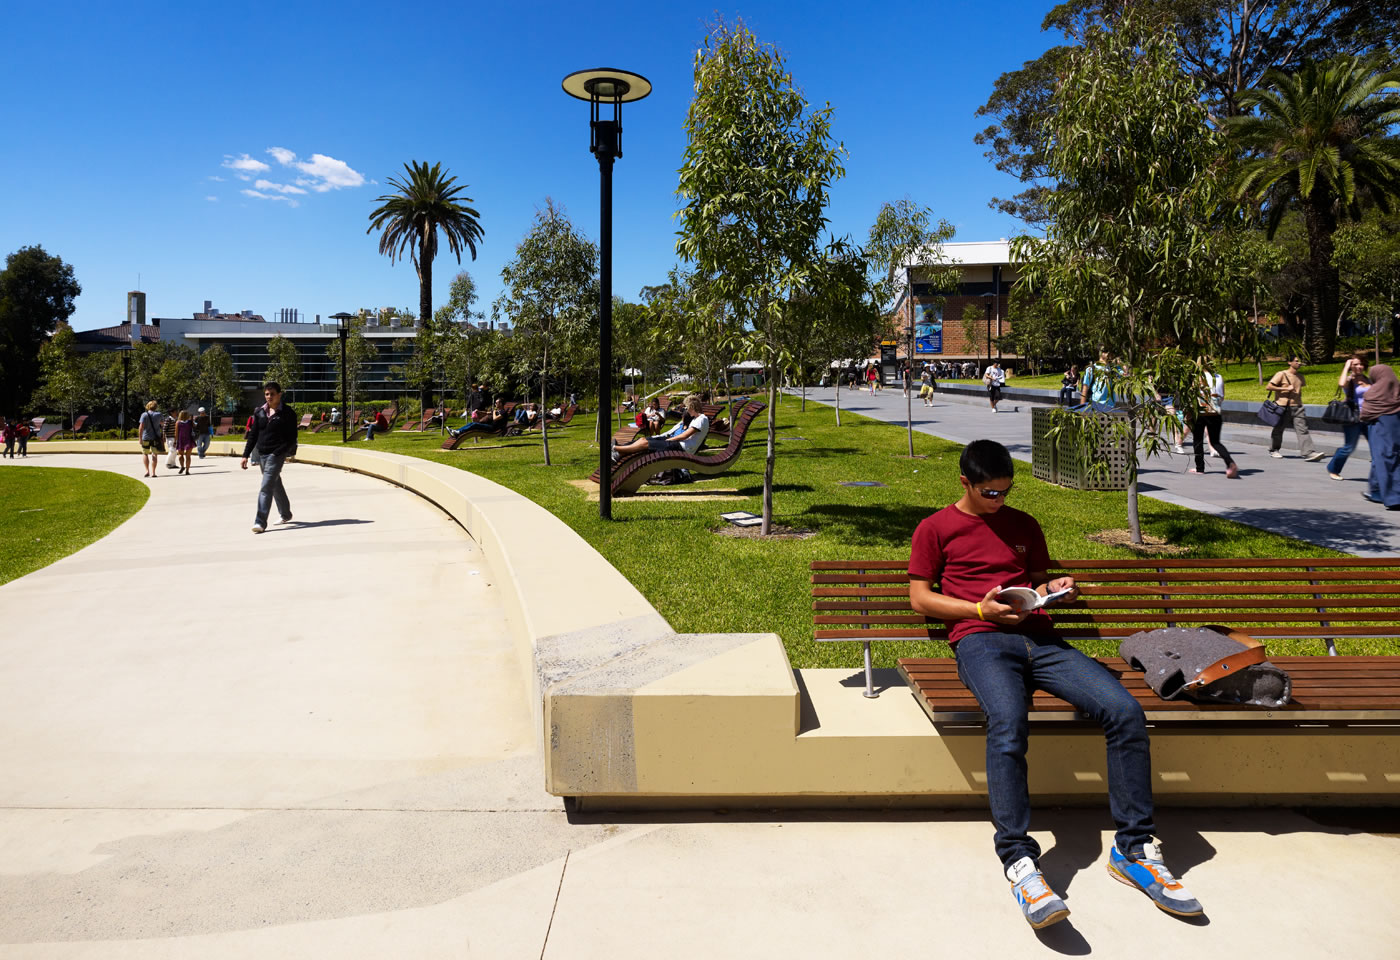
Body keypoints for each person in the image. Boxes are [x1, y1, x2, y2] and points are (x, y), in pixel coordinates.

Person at [908, 439, 1202, 928]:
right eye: (989, 493)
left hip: (1042, 642)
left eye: (1005, 491)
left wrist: (1053, 591)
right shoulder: (935, 528)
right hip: (980, 641)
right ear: (965, 482)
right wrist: (978, 610)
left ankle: (1134, 851)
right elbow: (920, 596)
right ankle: (1019, 860)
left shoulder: (1025, 525)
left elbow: (1035, 584)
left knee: (1125, 712)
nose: (999, 500)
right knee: (1007, 721)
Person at [240, 382, 297, 534]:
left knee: (266, 487)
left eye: (272, 394)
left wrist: (279, 452)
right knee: (275, 483)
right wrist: (246, 455)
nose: (269, 397)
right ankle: (286, 514)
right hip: (262, 453)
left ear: (279, 394)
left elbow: (292, 438)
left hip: (276, 454)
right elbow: (253, 435)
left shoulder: (288, 413)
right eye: (267, 394)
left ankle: (260, 522)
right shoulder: (259, 412)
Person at [611, 394, 709, 463]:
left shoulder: (702, 419)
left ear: (692, 407)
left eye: (687, 407)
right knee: (643, 439)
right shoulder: (695, 419)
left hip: (683, 447)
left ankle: (615, 448)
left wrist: (668, 440)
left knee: (645, 444)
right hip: (675, 442)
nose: (686, 410)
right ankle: (618, 454)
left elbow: (685, 435)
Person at [1266, 355, 1325, 461]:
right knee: (1279, 429)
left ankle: (1308, 453)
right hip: (1283, 407)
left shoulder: (1300, 377)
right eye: (1296, 361)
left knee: (1303, 430)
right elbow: (1269, 387)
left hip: (1298, 407)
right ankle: (1274, 449)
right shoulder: (1281, 374)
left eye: (1299, 361)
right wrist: (1284, 388)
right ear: (1289, 362)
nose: (1299, 363)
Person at [1189, 360, 1239, 479]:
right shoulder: (1219, 377)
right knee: (1215, 442)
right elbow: (1221, 396)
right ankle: (1229, 462)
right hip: (1215, 412)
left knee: (1198, 440)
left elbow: (1191, 395)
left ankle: (1200, 468)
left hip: (1200, 413)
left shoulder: (1196, 377)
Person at [1327, 354, 1371, 480]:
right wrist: (1347, 366)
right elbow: (1341, 384)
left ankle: (1382, 474)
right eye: (1355, 364)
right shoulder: (1349, 380)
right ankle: (1333, 469)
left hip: (1370, 418)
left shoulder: (1368, 379)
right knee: (1349, 447)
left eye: (1361, 364)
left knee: (1377, 446)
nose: (1359, 367)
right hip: (1353, 418)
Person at [1362, 364, 1400, 509]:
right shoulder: (1397, 391)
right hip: (1396, 433)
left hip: (1379, 431)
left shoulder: (1373, 393)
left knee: (1382, 461)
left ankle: (1392, 497)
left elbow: (1365, 414)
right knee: (1394, 462)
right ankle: (1377, 491)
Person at [138, 400, 163, 478]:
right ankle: (153, 472)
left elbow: (141, 427)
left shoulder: (144, 415)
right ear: (156, 407)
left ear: (148, 406)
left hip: (146, 437)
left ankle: (147, 471)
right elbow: (162, 424)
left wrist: (140, 438)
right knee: (154, 454)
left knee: (145, 453)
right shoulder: (159, 414)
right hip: (156, 437)